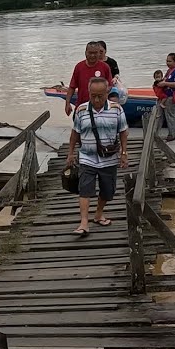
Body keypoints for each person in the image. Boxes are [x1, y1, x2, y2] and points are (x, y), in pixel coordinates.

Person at [67, 77, 128, 236]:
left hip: (109, 158)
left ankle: (98, 213)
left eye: (100, 96)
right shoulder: (81, 110)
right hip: (87, 157)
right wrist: (71, 153)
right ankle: (84, 223)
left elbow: (123, 131)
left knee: (108, 191)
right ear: (89, 93)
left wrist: (124, 153)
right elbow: (75, 133)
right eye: (93, 95)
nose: (96, 100)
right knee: (84, 189)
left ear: (107, 93)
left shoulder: (116, 109)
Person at [64, 41, 113, 115]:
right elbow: (72, 87)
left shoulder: (105, 67)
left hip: (100, 109)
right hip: (82, 107)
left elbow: (110, 86)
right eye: (90, 53)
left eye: (95, 53)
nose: (92, 55)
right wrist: (67, 103)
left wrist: (100, 95)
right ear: (85, 53)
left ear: (99, 53)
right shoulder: (79, 67)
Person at [154, 52, 175, 139]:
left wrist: (165, 83)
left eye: (169, 61)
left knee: (170, 116)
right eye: (167, 61)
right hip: (164, 96)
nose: (167, 63)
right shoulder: (169, 70)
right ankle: (155, 133)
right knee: (159, 116)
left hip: (171, 97)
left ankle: (171, 134)